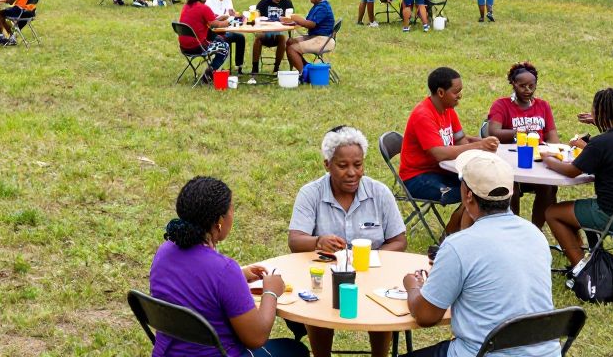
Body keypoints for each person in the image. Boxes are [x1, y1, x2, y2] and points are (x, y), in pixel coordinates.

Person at [403, 151, 559, 357]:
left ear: (468, 195)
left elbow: (426, 316)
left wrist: (413, 287)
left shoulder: (458, 246)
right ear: (511, 192)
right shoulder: (535, 235)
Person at [150, 176, 308, 357]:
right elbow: (256, 338)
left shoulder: (164, 252)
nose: (233, 214)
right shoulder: (224, 271)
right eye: (232, 209)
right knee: (295, 350)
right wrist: (270, 292)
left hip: (168, 353)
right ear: (219, 222)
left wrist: (239, 275)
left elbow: (195, 281)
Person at [288, 126, 406, 357]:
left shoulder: (379, 193)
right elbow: (295, 241)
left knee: (382, 303)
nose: (352, 172)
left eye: (358, 165)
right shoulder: (310, 194)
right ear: (327, 164)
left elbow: (399, 240)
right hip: (327, 275)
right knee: (319, 306)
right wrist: (318, 241)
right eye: (342, 166)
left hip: (374, 274)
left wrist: (372, 257)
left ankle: (379, 355)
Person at [544, 88, 613, 266]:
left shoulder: (600, 143)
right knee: (577, 207)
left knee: (553, 212)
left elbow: (572, 171)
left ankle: (582, 270)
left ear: (598, 113)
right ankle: (581, 253)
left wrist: (548, 159)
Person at [400, 67, 500, 235]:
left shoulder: (448, 110)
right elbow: (439, 153)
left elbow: (460, 140)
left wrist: (480, 142)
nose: (460, 95)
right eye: (456, 92)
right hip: (418, 178)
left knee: (483, 184)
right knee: (475, 194)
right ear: (440, 92)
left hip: (443, 170)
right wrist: (479, 146)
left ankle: (456, 234)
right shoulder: (423, 115)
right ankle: (451, 236)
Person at [486, 62, 558, 229]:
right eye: (522, 86)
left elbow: (552, 135)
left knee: (548, 187)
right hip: (511, 162)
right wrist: (521, 132)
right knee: (512, 189)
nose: (527, 90)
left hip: (537, 161)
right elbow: (494, 131)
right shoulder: (502, 105)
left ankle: (535, 231)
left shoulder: (542, 106)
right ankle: (514, 230)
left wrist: (555, 149)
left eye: (532, 86)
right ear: (513, 83)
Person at [177, 0, 230, 84]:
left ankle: (212, 71)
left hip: (184, 47)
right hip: (198, 46)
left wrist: (218, 18)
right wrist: (227, 22)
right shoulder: (203, 8)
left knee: (218, 38)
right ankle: (209, 73)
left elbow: (204, 19)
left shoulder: (186, 7)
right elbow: (215, 25)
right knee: (225, 47)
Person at [285, 0, 335, 71]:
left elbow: (311, 24)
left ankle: (303, 75)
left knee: (292, 48)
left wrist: (295, 18)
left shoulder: (323, 8)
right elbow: (307, 22)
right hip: (316, 37)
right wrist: (296, 20)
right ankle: (305, 67)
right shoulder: (319, 6)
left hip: (323, 40)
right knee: (290, 42)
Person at [251, 0, 293, 76]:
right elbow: (255, 18)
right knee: (258, 38)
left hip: (279, 33)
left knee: (282, 38)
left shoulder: (287, 3)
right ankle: (255, 67)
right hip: (265, 32)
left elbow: (290, 19)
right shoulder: (264, 3)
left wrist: (286, 19)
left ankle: (276, 67)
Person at [207, 0, 246, 74]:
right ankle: (215, 69)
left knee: (240, 37)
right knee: (224, 40)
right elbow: (210, 17)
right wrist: (224, 17)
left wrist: (233, 14)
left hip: (225, 27)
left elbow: (230, 13)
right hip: (213, 30)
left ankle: (239, 66)